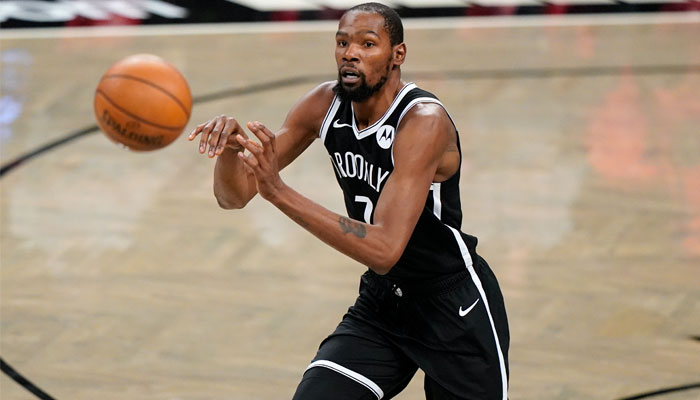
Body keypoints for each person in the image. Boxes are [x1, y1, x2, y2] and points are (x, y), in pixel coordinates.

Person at [188, 3, 509, 399]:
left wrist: (280, 192)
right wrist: (230, 152)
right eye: (342, 42)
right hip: (384, 303)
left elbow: (385, 248)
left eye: (367, 43)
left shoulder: (423, 121)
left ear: (398, 55)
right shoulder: (324, 104)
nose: (350, 53)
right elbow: (233, 196)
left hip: (452, 307)